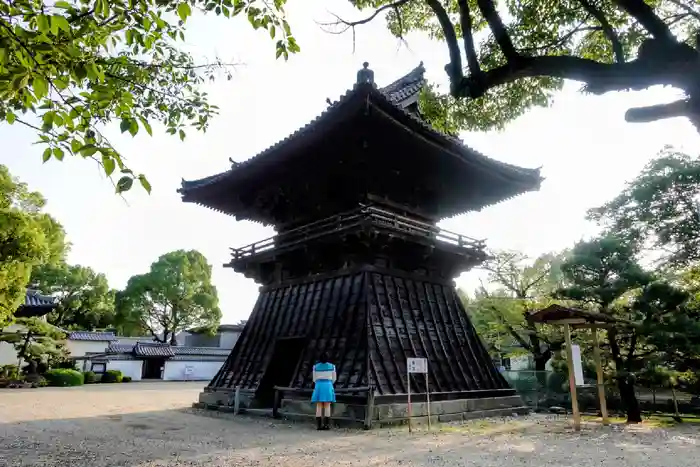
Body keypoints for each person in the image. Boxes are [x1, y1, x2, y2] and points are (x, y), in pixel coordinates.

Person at [311, 351, 336, 430]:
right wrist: (329, 382)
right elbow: (334, 379)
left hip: (318, 386)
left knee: (319, 405)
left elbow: (314, 379)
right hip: (328, 385)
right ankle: (326, 425)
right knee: (327, 405)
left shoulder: (315, 367)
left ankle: (319, 425)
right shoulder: (332, 366)